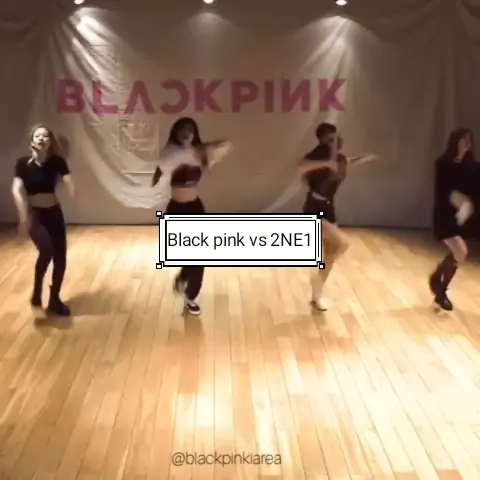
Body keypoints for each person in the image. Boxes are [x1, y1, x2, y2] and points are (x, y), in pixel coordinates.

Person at [152, 117, 232, 316]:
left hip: (195, 207)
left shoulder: (199, 153)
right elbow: (170, 161)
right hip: (177, 209)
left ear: (195, 133)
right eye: (182, 129)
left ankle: (190, 296)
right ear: (175, 132)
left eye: (190, 130)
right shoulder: (170, 152)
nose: (186, 133)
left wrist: (206, 148)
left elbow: (227, 145)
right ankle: (183, 277)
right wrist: (197, 151)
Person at [298, 122, 378, 311]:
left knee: (331, 253)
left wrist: (364, 158)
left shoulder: (339, 158)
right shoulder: (316, 156)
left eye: (336, 136)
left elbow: (346, 162)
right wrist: (326, 163)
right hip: (314, 208)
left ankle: (317, 293)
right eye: (331, 138)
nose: (336, 140)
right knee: (343, 243)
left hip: (329, 208)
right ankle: (315, 282)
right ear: (323, 139)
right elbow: (301, 167)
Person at [11, 124, 75, 316]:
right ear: (32, 140)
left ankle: (55, 299)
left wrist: (71, 188)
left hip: (54, 213)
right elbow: (16, 188)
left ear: (50, 142)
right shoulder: (23, 164)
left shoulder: (57, 162)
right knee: (46, 250)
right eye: (38, 136)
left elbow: (68, 179)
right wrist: (23, 215)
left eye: (45, 136)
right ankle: (37, 294)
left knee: (60, 256)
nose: (41, 138)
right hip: (35, 215)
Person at [429, 127, 478, 311]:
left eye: (469, 139)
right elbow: (444, 191)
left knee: (459, 254)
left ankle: (438, 280)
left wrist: (467, 206)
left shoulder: (472, 165)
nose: (467, 143)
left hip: (462, 217)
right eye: (463, 139)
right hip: (445, 216)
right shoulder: (443, 163)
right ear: (455, 141)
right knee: (461, 252)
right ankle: (440, 288)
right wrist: (461, 202)